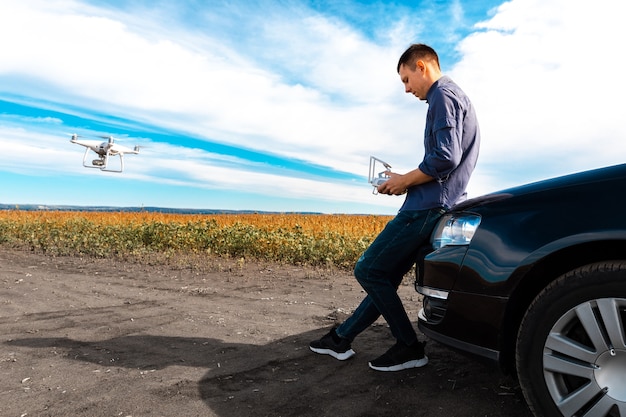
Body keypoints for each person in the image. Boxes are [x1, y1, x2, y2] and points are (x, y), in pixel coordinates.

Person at [309, 43, 480, 371]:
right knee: (383, 276)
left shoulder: (443, 95)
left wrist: (404, 181)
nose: (406, 89)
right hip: (437, 203)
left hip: (426, 207)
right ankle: (341, 339)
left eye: (405, 79)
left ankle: (408, 345)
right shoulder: (457, 97)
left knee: (368, 270)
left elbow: (446, 157)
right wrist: (402, 181)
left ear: (421, 66)